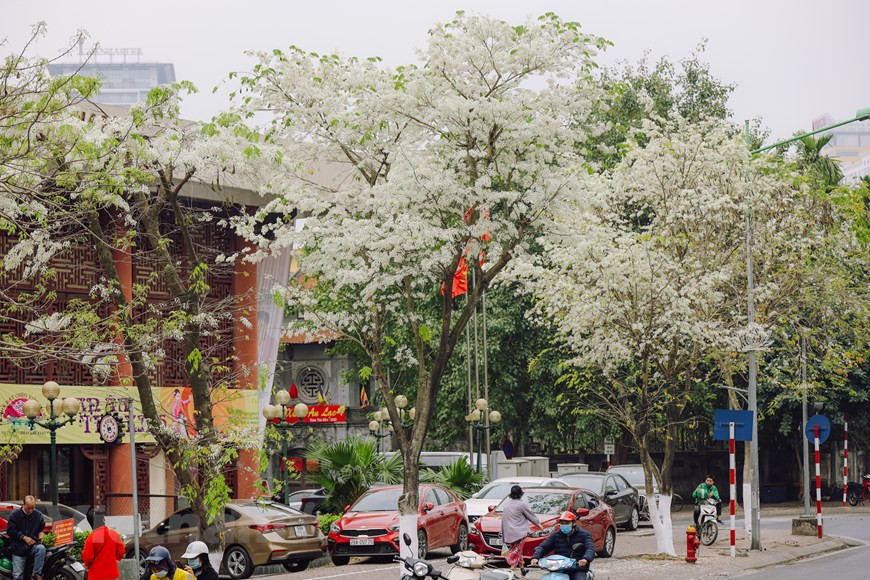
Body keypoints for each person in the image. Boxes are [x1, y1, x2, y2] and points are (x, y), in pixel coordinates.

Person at [529, 511, 595, 580]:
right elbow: (543, 546)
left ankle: (588, 575)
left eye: (567, 523)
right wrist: (535, 557)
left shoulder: (584, 535)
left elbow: (590, 548)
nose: (564, 525)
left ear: (574, 523)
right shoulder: (556, 535)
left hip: (577, 568)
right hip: (559, 569)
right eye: (562, 523)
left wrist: (585, 559)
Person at [500, 485, 542, 577]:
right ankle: (510, 572)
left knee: (518, 551)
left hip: (509, 534)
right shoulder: (521, 504)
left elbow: (503, 521)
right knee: (516, 552)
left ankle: (522, 569)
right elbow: (531, 516)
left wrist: (504, 535)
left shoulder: (507, 505)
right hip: (520, 533)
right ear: (520, 494)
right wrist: (539, 525)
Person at [6, 496, 46, 580]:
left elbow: (41, 529)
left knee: (41, 548)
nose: (31, 510)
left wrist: (40, 538)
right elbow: (10, 531)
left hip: (32, 546)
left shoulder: (38, 515)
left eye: (33, 508)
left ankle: (35, 574)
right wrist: (24, 537)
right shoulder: (14, 515)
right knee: (18, 576)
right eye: (28, 508)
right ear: (23, 504)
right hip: (18, 549)